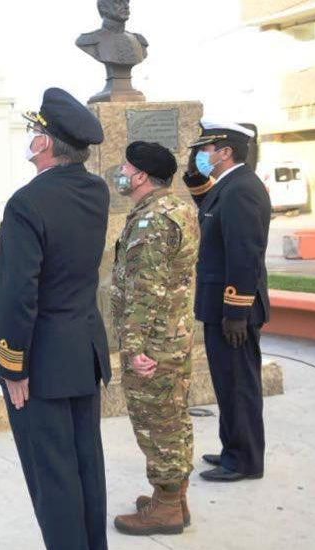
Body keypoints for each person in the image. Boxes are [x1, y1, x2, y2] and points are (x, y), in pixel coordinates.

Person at [0, 87, 112, 550]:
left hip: (41, 361)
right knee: (86, 467)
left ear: (44, 144)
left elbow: (18, 294)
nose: (31, 138)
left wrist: (12, 364)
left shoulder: (27, 202)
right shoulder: (96, 190)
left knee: (53, 477)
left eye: (34, 131)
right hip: (82, 353)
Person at [109, 141, 199, 535]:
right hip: (173, 337)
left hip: (154, 345)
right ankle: (174, 497)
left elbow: (146, 290)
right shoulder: (177, 208)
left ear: (142, 176)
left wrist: (134, 349)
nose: (121, 172)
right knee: (174, 418)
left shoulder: (153, 220)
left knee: (156, 424)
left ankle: (166, 509)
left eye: (126, 167)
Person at [182, 121, 271, 482]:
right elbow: (209, 207)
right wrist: (192, 174)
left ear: (225, 152)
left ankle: (245, 460)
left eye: (206, 150)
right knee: (227, 382)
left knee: (239, 384)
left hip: (233, 310)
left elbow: (244, 254)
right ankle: (232, 448)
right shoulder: (229, 186)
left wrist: (236, 312)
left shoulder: (242, 190)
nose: (203, 155)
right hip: (221, 306)